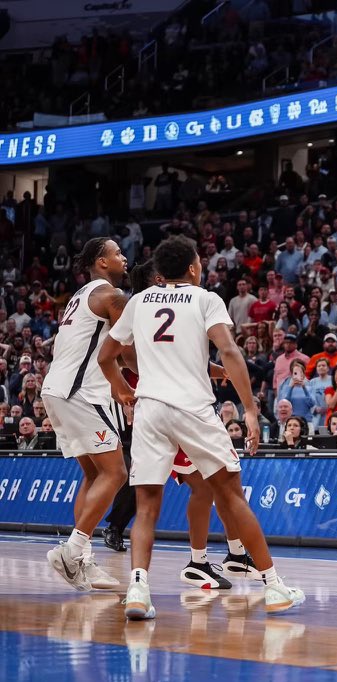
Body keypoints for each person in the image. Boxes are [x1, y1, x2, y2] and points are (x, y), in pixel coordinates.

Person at [98, 235, 303, 619]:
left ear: (159, 271)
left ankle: (139, 590)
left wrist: (124, 392)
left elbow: (106, 355)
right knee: (231, 495)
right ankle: (274, 586)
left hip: (150, 410)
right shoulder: (205, 298)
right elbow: (229, 350)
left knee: (146, 507)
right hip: (193, 408)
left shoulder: (139, 301)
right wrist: (250, 409)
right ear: (193, 267)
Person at [40, 238, 128, 592]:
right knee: (117, 472)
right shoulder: (111, 296)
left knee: (93, 475)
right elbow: (130, 352)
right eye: (117, 253)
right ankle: (71, 550)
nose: (123, 257)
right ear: (102, 262)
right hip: (80, 393)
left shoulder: (80, 295)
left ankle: (82, 561)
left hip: (57, 390)